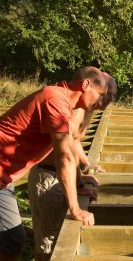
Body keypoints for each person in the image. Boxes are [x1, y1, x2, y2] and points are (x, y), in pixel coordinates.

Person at [0, 66, 108, 261]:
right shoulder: (55, 99)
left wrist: (80, 184)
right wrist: (75, 209)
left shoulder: (65, 104)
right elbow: (64, 156)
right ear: (85, 85)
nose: (102, 101)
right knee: (12, 240)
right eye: (101, 94)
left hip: (4, 178)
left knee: (12, 241)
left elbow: (70, 148)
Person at [27, 72, 117, 260]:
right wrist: (78, 189)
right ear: (88, 87)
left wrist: (82, 176)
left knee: (54, 238)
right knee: (48, 244)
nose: (109, 99)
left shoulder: (86, 108)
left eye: (112, 95)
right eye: (106, 94)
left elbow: (73, 144)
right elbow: (65, 154)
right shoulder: (76, 108)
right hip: (49, 177)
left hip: (59, 176)